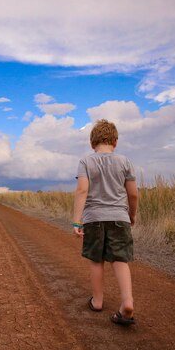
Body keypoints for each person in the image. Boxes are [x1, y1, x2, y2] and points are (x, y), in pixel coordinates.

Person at [72, 119, 139, 326]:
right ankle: (127, 303)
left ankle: (98, 301)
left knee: (96, 260)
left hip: (93, 219)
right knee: (120, 260)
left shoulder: (86, 161)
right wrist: (131, 215)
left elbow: (82, 190)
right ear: (115, 142)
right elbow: (133, 194)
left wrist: (77, 221)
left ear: (92, 143)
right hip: (119, 217)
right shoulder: (125, 161)